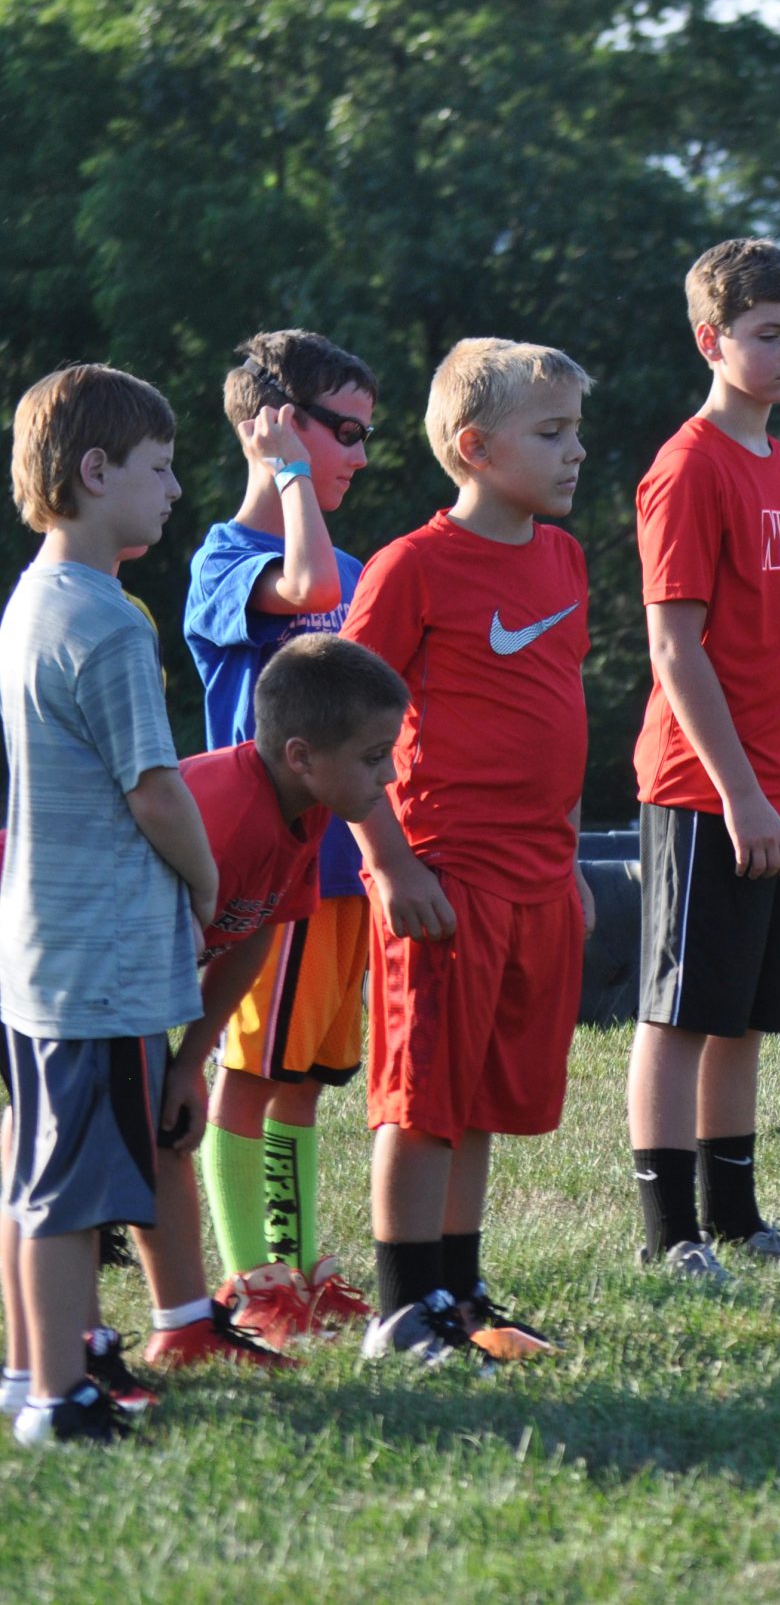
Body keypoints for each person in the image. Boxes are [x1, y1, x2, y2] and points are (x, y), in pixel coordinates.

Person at [341, 338, 595, 1367]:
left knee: (483, 1091)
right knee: (424, 1095)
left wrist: (568, 858)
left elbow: (554, 718)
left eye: (577, 429)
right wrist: (390, 863)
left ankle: (458, 1285)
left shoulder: (563, 555)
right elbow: (335, 713)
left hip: (537, 876)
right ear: (474, 446)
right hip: (442, 877)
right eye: (552, 432)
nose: (576, 451)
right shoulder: (413, 566)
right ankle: (401, 1309)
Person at [627, 239, 780, 1282]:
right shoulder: (685, 467)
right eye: (769, 334)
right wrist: (740, 795)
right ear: (710, 339)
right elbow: (673, 644)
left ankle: (734, 1213)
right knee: (681, 1013)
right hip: (705, 789)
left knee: (745, 1015)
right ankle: (667, 1229)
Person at [1, 364, 215, 1444]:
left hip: (39, 947)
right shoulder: (111, 621)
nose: (174, 489)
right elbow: (156, 786)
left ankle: (27, 1366)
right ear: (95, 471)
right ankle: (59, 1394)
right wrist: (207, 878)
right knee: (70, 1191)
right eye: (160, 467)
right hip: (94, 960)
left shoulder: (32, 596)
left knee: (32, 1161)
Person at [128, 637, 408, 1373]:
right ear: (301, 755)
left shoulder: (308, 808)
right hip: (58, 960)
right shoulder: (221, 813)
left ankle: (193, 1325)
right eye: (374, 756)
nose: (391, 773)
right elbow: (134, 934)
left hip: (126, 983)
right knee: (90, 1152)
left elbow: (255, 934)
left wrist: (190, 1064)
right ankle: (231, 1296)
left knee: (156, 1132)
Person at [182, 329, 381, 1342]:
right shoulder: (228, 559)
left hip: (338, 871)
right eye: (342, 431)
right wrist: (292, 476)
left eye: (362, 437)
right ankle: (247, 1278)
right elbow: (301, 586)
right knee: (250, 1075)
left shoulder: (346, 559)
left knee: (304, 1081)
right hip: (262, 872)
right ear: (278, 427)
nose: (357, 454)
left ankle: (300, 1269)